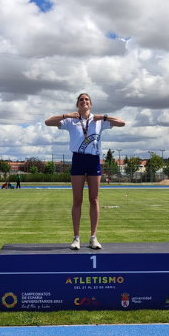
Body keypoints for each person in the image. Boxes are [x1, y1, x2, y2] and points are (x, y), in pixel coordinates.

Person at [45, 93, 125, 250]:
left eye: (86, 100)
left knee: (94, 199)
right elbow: (47, 122)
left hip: (94, 160)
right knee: (77, 200)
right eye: (81, 100)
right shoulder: (71, 120)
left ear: (91, 104)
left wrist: (103, 117)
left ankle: (93, 237)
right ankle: (76, 238)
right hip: (78, 160)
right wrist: (65, 115)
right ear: (77, 104)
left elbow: (122, 123)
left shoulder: (98, 121)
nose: (84, 102)